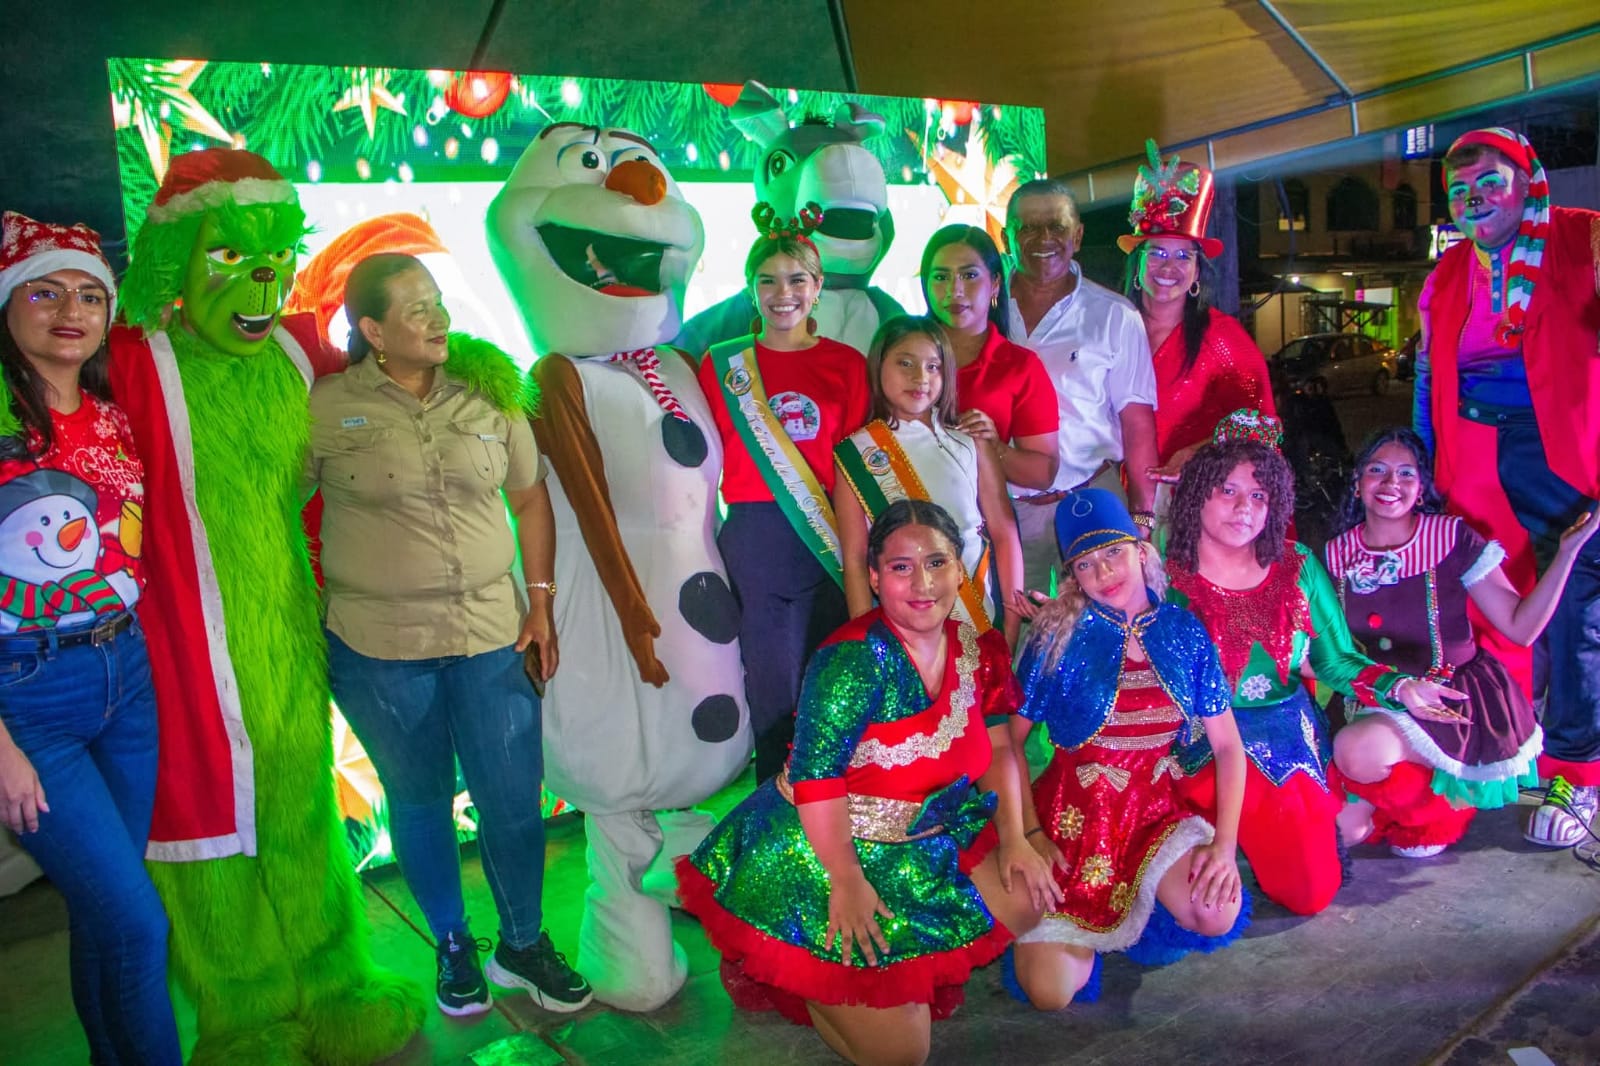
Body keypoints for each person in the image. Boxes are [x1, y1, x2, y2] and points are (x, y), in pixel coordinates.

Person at [307, 253, 590, 1017]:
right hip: (379, 648)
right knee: (421, 799)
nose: (439, 319)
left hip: (494, 637)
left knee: (512, 799)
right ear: (373, 330)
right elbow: (279, 509)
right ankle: (454, 945)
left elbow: (529, 499)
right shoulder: (326, 406)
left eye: (438, 301)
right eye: (417, 309)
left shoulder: (490, 393)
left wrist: (540, 602)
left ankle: (522, 944)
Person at [678, 500, 1055, 1066]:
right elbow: (817, 780)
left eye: (936, 562)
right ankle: (793, 970)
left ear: (959, 569)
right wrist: (846, 879)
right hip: (821, 852)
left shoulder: (976, 648)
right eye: (901, 567)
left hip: (920, 845)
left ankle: (873, 978)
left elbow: (999, 747)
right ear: (874, 578)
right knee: (900, 1054)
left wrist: (1018, 837)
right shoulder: (850, 661)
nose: (922, 582)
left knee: (1028, 895)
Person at [0, 212, 181, 1064]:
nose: (70, 311)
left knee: (104, 916)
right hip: (27, 700)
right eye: (44, 293)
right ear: (8, 304)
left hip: (125, 679)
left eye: (89, 295)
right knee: (140, 924)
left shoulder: (110, 417)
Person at [1164, 411, 1464, 916]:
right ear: (1198, 492)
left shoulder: (1297, 564)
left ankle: (1277, 835)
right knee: (1199, 906)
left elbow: (1337, 660)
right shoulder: (1163, 573)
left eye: (1259, 495)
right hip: (1193, 745)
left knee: (1311, 891)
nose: (1244, 508)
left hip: (1283, 742)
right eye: (1228, 490)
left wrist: (1400, 688)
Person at [1413, 127, 1600, 847]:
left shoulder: (1582, 240)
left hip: (1569, 456)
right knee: (1494, 618)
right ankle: (1516, 740)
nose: (1474, 200)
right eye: (1459, 190)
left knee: (1578, 615)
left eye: (1490, 182)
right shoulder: (1449, 270)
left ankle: (1578, 772)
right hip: (1475, 461)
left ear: (1528, 183)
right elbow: (1429, 377)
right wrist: (1423, 466)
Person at [992, 488, 1247, 1009]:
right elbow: (1009, 743)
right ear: (1072, 577)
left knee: (1215, 910)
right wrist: (1030, 834)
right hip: (1070, 824)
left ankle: (1143, 907)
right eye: (1086, 564)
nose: (1104, 572)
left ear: (1141, 549)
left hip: (1154, 817)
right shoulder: (1055, 638)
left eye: (1114, 552)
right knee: (1050, 994)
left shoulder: (1184, 630)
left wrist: (1224, 847)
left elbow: (1227, 747)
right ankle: (1090, 929)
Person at [1324, 428, 1597, 856]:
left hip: (1449, 698)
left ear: (1421, 488)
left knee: (1356, 750)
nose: (1391, 483)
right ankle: (1396, 807)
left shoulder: (1451, 538)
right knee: (1344, 832)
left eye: (1406, 473)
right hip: (1377, 696)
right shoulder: (1337, 553)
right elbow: (1328, 649)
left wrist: (1566, 554)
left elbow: (1520, 627)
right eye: (1377, 470)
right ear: (1357, 482)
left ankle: (1440, 809)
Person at [698, 209, 871, 782]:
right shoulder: (722, 364)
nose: (783, 293)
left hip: (828, 536)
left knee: (829, 680)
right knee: (770, 685)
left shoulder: (846, 364)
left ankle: (835, 804)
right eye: (768, 280)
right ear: (751, 289)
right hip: (754, 539)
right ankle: (776, 811)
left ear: (818, 287)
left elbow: (855, 468)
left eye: (797, 280)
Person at [1003, 179, 1160, 594]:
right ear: (1006, 238)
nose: (1044, 239)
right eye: (1028, 227)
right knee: (1017, 627)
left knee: (1106, 623)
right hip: (1005, 512)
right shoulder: (982, 311)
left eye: (1056, 226)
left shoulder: (1114, 315)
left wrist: (1142, 518)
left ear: (1077, 235)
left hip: (1092, 498)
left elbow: (1138, 424)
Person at [833, 314, 1025, 647]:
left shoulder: (970, 442)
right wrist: (866, 644)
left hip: (976, 613)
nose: (920, 377)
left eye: (933, 367)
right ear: (878, 366)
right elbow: (855, 557)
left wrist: (1010, 623)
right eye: (905, 363)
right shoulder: (857, 452)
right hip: (900, 626)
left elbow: (1004, 532)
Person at [1117, 141, 1275, 482]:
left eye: (1183, 256)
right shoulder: (1111, 328)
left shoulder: (1222, 337)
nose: (1168, 267)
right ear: (1137, 263)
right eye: (1157, 253)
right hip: (1112, 498)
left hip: (1193, 498)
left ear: (1197, 271)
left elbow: (1262, 427)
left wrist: (1197, 453)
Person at [919, 225, 1059, 492]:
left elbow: (1043, 473)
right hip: (901, 505)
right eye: (941, 277)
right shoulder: (901, 352)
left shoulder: (1020, 366)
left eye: (969, 275)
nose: (954, 290)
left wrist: (994, 446)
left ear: (995, 284)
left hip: (981, 511)